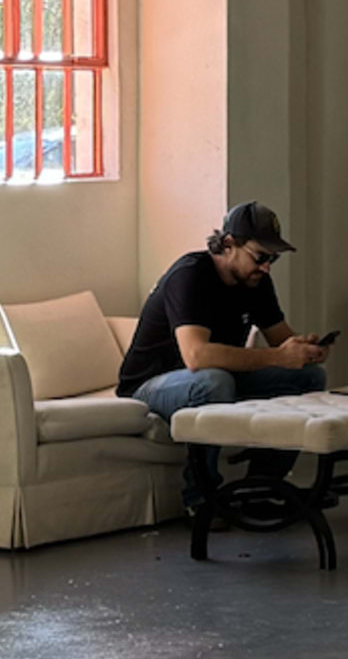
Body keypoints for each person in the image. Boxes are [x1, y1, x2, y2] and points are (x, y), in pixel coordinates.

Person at [123, 202, 335, 494]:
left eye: (273, 258)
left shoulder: (257, 281)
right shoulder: (190, 275)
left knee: (309, 376)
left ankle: (262, 487)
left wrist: (305, 350)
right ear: (228, 244)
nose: (266, 266)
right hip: (151, 384)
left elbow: (281, 340)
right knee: (213, 381)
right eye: (260, 256)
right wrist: (278, 356)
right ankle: (201, 497)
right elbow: (196, 356)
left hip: (215, 376)